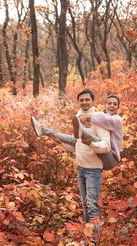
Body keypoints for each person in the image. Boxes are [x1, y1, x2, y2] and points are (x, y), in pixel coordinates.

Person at [31, 89, 111, 227]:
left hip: (93, 170)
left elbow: (106, 146)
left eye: (87, 99)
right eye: (81, 100)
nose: (84, 102)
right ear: (78, 102)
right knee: (85, 206)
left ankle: (95, 243)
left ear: (93, 101)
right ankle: (88, 241)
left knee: (92, 206)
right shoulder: (77, 117)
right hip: (81, 169)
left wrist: (90, 143)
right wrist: (59, 143)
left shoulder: (99, 119)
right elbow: (77, 147)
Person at [30, 94, 123, 170]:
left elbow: (105, 119)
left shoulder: (117, 120)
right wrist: (60, 141)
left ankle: (81, 132)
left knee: (95, 139)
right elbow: (92, 115)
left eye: (115, 104)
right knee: (76, 140)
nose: (112, 105)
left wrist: (85, 118)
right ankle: (44, 131)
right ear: (105, 105)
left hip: (110, 159)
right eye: (109, 103)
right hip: (99, 156)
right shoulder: (100, 116)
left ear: (118, 107)